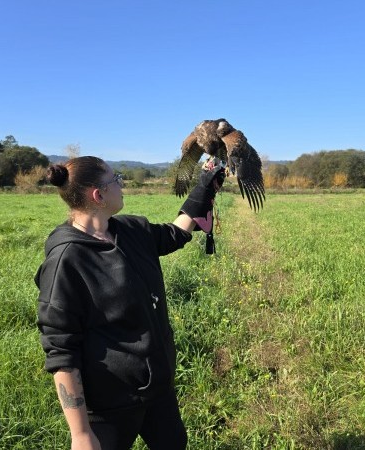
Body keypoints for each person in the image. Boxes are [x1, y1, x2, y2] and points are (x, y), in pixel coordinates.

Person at [35, 156, 224, 450]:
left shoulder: (131, 230)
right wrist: (81, 434)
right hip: (111, 403)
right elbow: (61, 351)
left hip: (158, 389)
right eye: (116, 180)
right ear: (98, 195)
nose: (122, 185)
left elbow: (176, 232)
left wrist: (205, 187)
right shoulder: (67, 260)